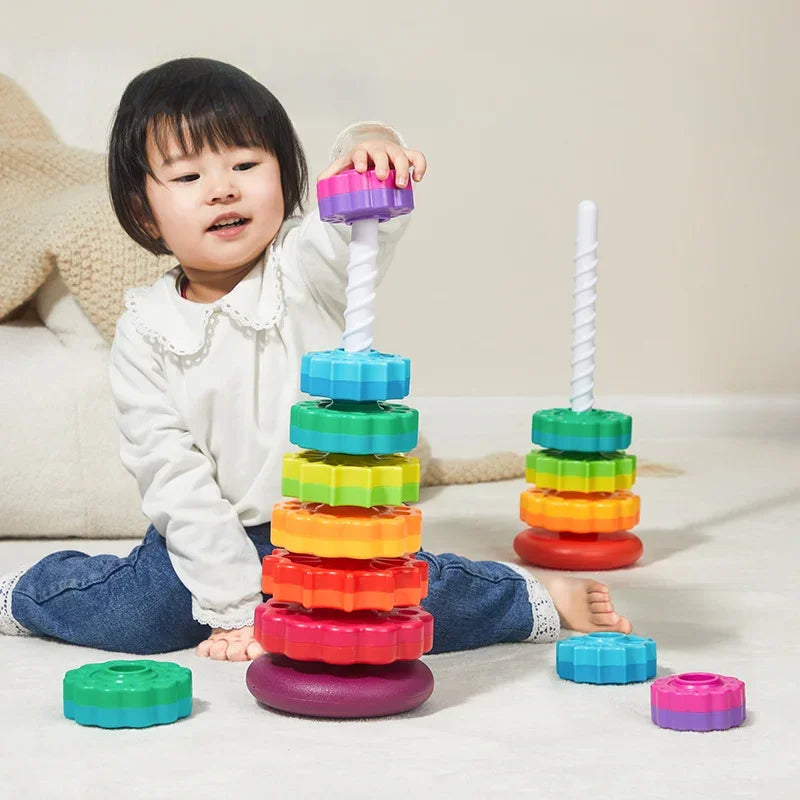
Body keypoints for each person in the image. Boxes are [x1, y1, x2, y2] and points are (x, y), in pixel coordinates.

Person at [0, 57, 632, 661]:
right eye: (189, 177)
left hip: (330, 528)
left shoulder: (306, 269)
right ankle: (28, 594)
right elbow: (171, 477)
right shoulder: (146, 329)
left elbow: (364, 226)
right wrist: (235, 604)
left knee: (404, 600)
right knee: (136, 617)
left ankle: (536, 600)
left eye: (246, 164)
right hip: (207, 537)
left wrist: (371, 147)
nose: (222, 189)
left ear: (286, 177)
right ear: (145, 211)